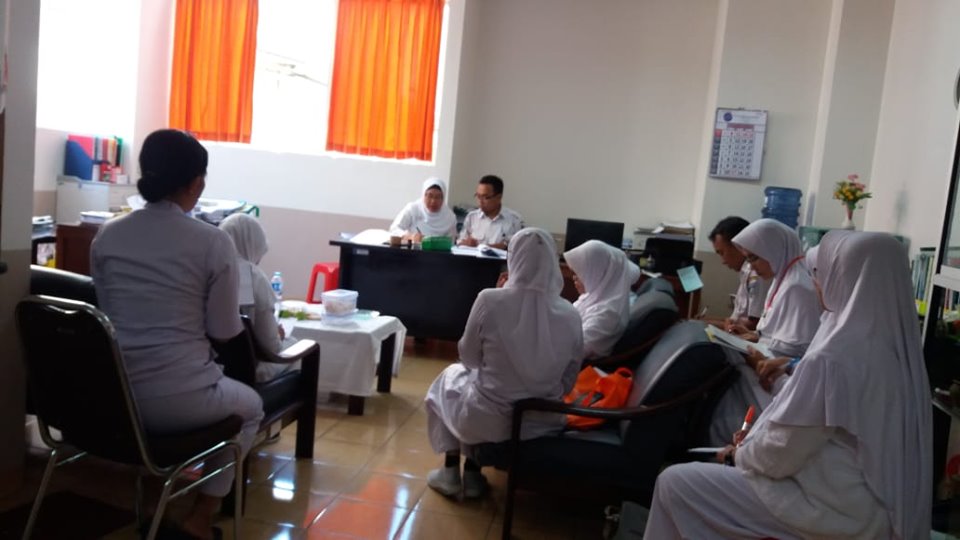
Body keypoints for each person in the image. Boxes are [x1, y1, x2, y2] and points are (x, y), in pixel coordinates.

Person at [644, 231, 932, 539]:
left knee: (675, 483)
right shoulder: (897, 350)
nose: (816, 284)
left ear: (843, 279)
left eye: (821, 274)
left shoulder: (835, 354)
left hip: (834, 508)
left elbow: (782, 452)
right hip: (877, 503)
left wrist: (735, 455)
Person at [91, 129, 263, 540]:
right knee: (252, 408)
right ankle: (199, 519)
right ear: (196, 183)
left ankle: (157, 504)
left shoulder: (108, 235)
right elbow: (224, 331)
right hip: (180, 399)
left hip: (112, 398)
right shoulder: (213, 241)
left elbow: (106, 314)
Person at [424, 228, 583, 498]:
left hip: (487, 420)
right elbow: (569, 380)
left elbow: (469, 358)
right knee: (470, 386)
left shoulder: (490, 299)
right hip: (541, 422)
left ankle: (450, 472)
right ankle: (472, 474)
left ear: (513, 258)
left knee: (449, 381)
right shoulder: (570, 312)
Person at [708, 218, 822, 445]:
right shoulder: (783, 279)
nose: (752, 266)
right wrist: (755, 336)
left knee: (726, 381)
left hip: (783, 377)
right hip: (771, 363)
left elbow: (798, 348)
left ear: (773, 250)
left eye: (754, 258)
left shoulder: (798, 286)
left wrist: (756, 346)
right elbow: (778, 332)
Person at [219, 213, 298, 382]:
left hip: (210, 366)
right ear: (253, 245)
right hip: (246, 370)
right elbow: (271, 346)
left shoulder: (207, 269)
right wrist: (279, 336)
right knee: (297, 346)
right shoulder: (252, 276)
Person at [564, 239, 641, 358]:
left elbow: (571, 350)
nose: (574, 278)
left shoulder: (607, 314)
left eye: (580, 273)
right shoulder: (594, 297)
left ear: (598, 273)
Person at [706, 216, 770, 331]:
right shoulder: (745, 272)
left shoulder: (756, 273)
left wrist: (711, 323)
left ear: (738, 246)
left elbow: (754, 323)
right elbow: (737, 318)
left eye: (722, 253)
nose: (723, 261)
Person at [457, 175, 524, 249]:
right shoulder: (472, 217)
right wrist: (466, 243)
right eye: (478, 196)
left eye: (485, 197)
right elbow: (459, 242)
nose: (480, 201)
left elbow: (517, 248)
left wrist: (485, 247)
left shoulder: (514, 220)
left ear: (499, 197)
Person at [389, 177, 457, 242]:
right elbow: (394, 230)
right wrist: (411, 236)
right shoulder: (413, 209)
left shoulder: (450, 217)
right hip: (413, 248)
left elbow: (451, 242)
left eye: (438, 197)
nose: (433, 201)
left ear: (443, 198)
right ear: (424, 195)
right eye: (430, 196)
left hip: (438, 250)